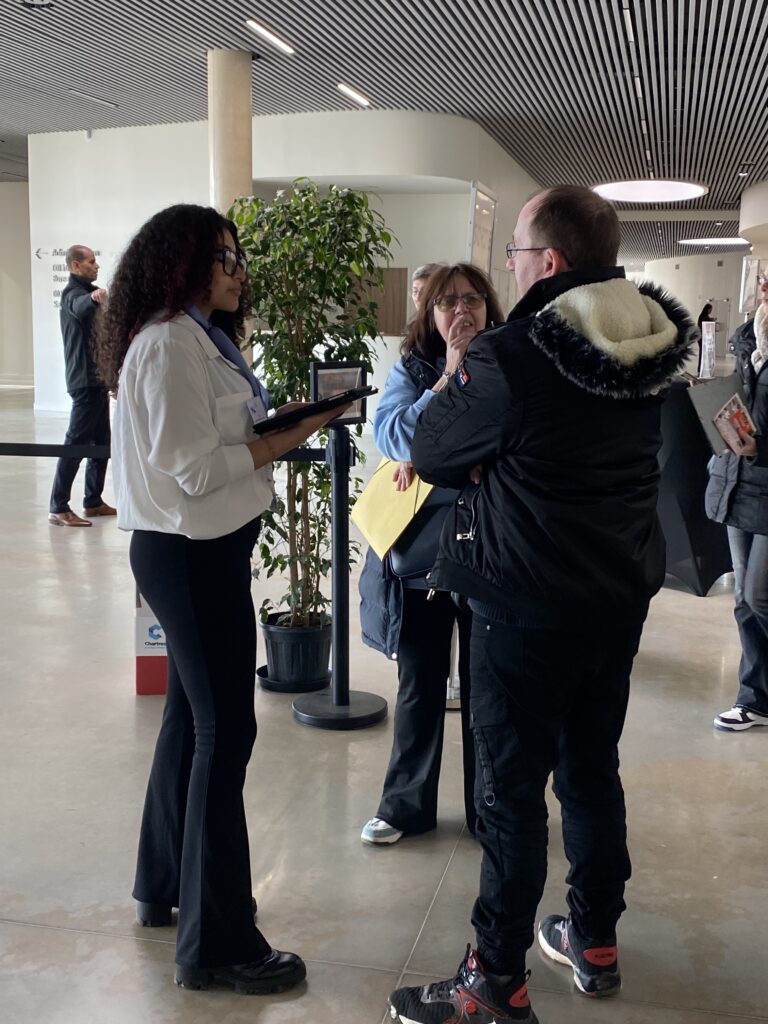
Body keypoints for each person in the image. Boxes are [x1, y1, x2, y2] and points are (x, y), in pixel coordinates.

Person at [387, 186, 693, 1024]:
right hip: (615, 598)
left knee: (510, 795)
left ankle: (495, 979)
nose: (511, 268)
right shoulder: (648, 343)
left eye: (516, 253)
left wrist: (486, 449)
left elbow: (431, 448)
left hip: (523, 603)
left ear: (549, 262)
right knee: (591, 770)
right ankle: (594, 940)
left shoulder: (513, 353)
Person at [91, 203, 347, 995]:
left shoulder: (195, 337)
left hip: (204, 551)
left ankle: (163, 885)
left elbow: (210, 444)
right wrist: (287, 437)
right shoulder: (170, 342)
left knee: (189, 723)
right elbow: (196, 470)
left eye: (239, 258)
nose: (239, 271)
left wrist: (281, 424)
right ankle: (217, 944)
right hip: (190, 556)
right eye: (225, 258)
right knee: (224, 733)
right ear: (182, 262)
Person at [359, 264, 504, 846]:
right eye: (447, 301)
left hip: (492, 547)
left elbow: (513, 441)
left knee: (488, 686)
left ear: (489, 306)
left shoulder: (507, 362)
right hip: (424, 553)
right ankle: (405, 807)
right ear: (430, 312)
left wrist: (435, 457)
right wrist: (447, 377)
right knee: (420, 681)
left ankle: (489, 810)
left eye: (472, 299)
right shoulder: (415, 367)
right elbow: (393, 435)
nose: (461, 310)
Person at [706, 272, 768, 732]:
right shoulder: (749, 339)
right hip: (738, 481)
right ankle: (754, 698)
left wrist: (761, 447)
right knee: (744, 600)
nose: (765, 289)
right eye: (766, 281)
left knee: (759, 597)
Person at [48, 245, 115, 527]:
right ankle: (58, 507)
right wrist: (93, 298)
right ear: (76, 266)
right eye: (91, 261)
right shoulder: (72, 294)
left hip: (97, 381)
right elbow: (80, 305)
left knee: (102, 444)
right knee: (75, 445)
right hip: (84, 383)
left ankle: (93, 501)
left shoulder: (91, 292)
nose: (96, 265)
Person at [696, 301, 716, 373]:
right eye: (710, 310)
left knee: (704, 353)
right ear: (707, 309)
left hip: (703, 337)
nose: (710, 311)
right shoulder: (703, 317)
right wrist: (711, 320)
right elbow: (704, 324)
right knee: (702, 353)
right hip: (702, 337)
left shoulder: (704, 316)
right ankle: (700, 368)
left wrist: (711, 320)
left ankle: (703, 367)